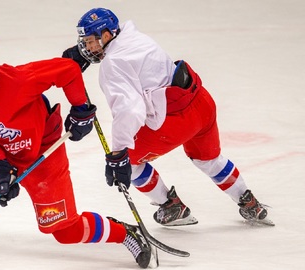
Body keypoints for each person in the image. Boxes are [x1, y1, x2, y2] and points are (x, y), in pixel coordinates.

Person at [0, 40, 157, 269]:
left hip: (43, 150)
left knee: (65, 232)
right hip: (0, 148)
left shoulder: (18, 81)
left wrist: (80, 108)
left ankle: (125, 233)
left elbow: (69, 69)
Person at [62, 7, 272, 226]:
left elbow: (130, 111)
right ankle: (249, 203)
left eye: (89, 41)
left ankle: (171, 207)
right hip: (201, 103)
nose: (86, 47)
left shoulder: (112, 64)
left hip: (175, 120)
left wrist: (118, 153)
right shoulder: (134, 36)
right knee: (208, 160)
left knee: (129, 162)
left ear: (106, 35)